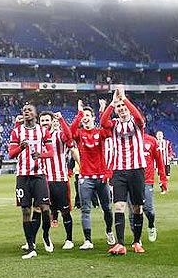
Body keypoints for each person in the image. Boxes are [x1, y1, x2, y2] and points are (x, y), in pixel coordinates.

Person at [99, 86, 146, 255]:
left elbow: (139, 118)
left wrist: (124, 98)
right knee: (118, 206)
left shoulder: (137, 123)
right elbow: (103, 122)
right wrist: (112, 103)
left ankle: (136, 241)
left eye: (123, 106)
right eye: (119, 107)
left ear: (128, 107)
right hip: (119, 170)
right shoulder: (114, 125)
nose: (122, 109)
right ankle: (120, 244)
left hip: (136, 169)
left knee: (137, 208)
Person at [8, 103, 55, 260]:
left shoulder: (43, 131)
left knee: (45, 208)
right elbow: (10, 154)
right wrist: (21, 148)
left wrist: (40, 155)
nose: (26, 112)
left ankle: (46, 235)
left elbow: (51, 153)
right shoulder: (16, 132)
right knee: (26, 211)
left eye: (30, 110)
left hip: (38, 175)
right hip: (22, 176)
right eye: (24, 110)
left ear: (36, 114)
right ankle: (31, 245)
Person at [70, 100, 115, 250]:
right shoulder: (80, 133)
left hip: (101, 177)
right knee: (85, 209)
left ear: (93, 118)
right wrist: (79, 113)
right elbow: (70, 132)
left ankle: (109, 231)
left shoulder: (100, 132)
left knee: (107, 208)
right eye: (84, 115)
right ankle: (88, 240)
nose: (85, 117)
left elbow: (107, 126)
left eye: (88, 115)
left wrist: (103, 110)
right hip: (85, 178)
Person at [38, 111, 74, 249]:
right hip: (43, 180)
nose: (45, 123)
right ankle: (46, 238)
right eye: (42, 121)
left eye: (47, 120)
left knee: (65, 211)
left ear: (52, 121)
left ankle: (69, 239)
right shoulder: (38, 138)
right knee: (45, 211)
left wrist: (61, 119)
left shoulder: (58, 135)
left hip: (59, 179)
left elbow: (69, 136)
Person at [127, 132, 168, 242]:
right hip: (130, 181)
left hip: (147, 181)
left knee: (148, 210)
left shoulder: (151, 140)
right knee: (132, 212)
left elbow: (159, 161)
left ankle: (151, 225)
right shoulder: (127, 139)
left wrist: (163, 179)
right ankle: (137, 239)